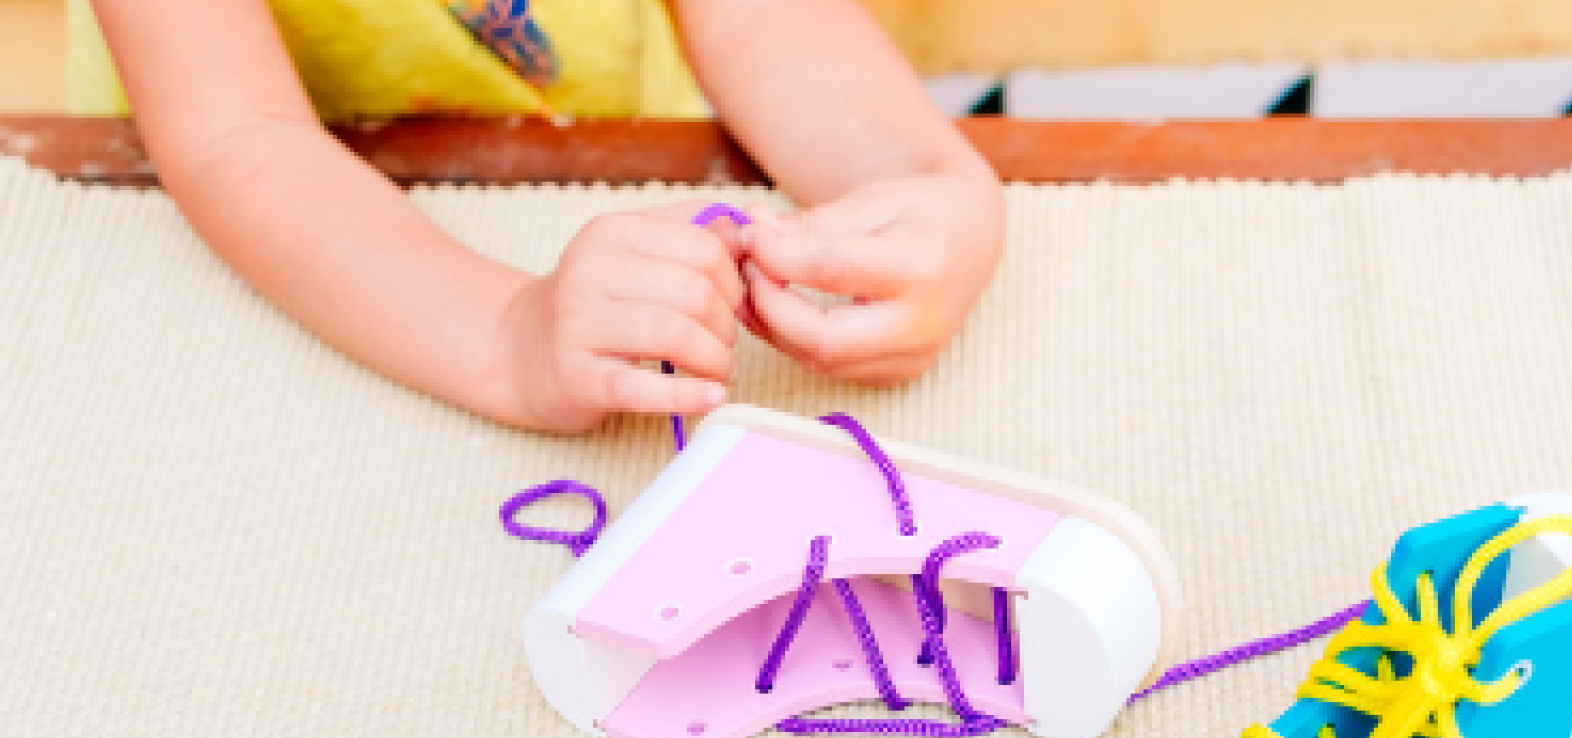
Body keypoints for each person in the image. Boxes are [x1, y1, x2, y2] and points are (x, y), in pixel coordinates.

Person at [85, 0, 1007, 433]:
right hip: (262, 232)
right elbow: (238, 138)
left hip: (629, 153)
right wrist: (504, 333)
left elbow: (762, 19)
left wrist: (924, 184)